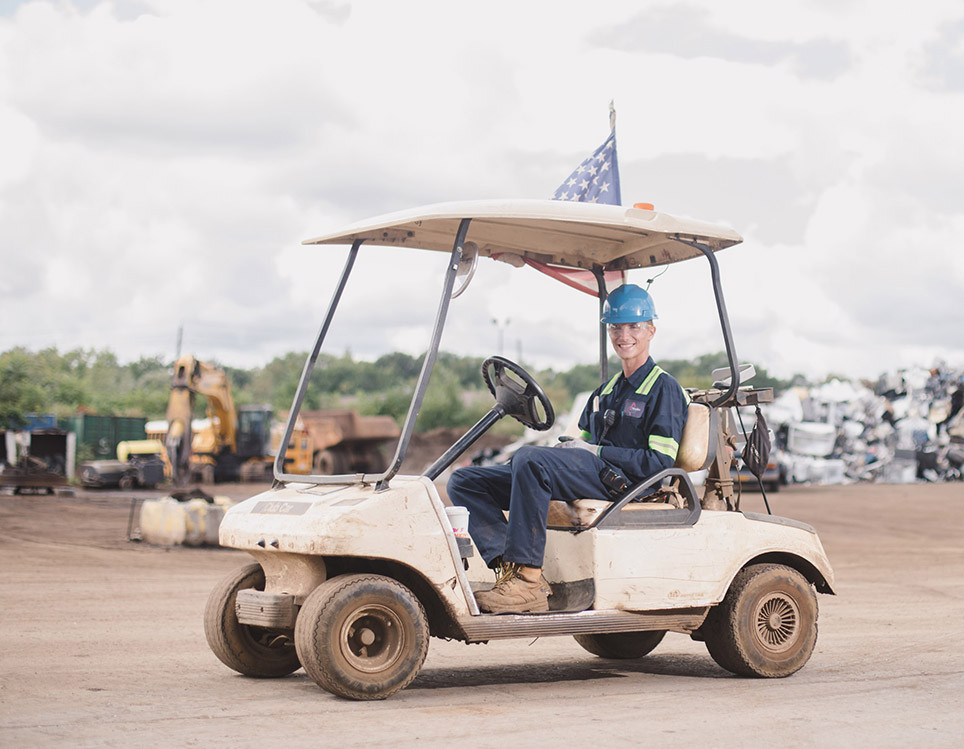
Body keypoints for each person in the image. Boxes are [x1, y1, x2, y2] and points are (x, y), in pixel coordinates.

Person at [447, 284, 689, 614]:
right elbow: (580, 447)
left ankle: (529, 583)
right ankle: (510, 569)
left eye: (634, 326)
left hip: (629, 485)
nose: (624, 335)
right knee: (465, 481)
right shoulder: (604, 392)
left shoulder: (664, 389)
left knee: (529, 459)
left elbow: (659, 463)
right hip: (594, 475)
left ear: (651, 330)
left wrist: (595, 452)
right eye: (616, 326)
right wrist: (569, 450)